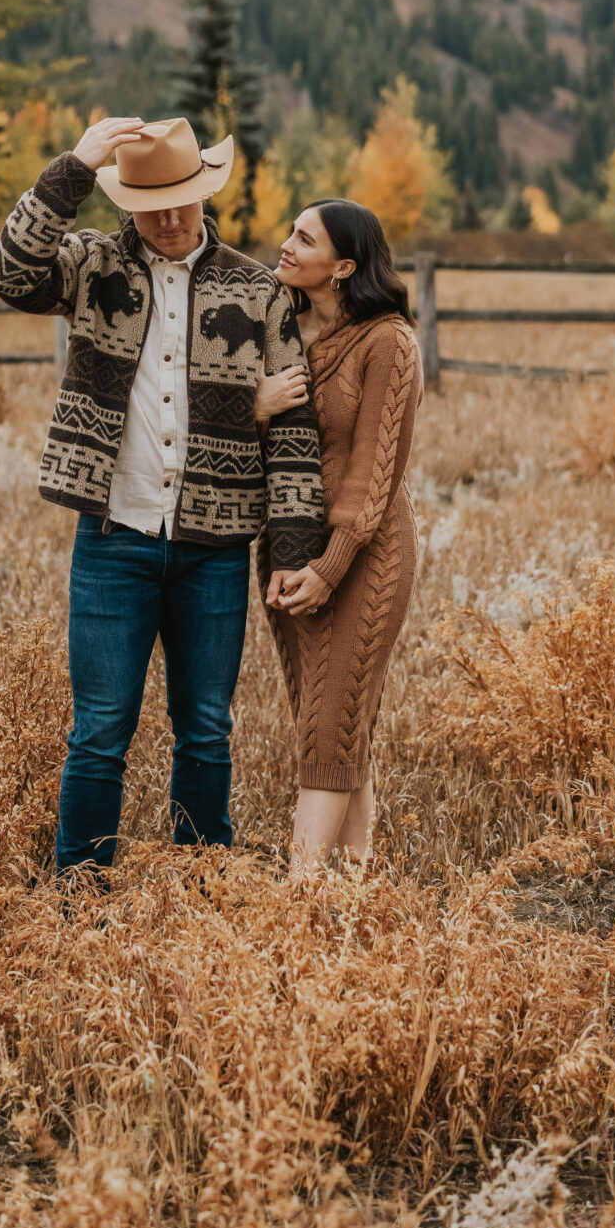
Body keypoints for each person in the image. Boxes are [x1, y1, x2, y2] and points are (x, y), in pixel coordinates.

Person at [0, 114, 326, 876]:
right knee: (100, 729)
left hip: (214, 550)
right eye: (152, 205)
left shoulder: (256, 288)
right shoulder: (92, 265)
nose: (171, 219)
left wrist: (296, 548)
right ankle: (78, 891)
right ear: (125, 205)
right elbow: (7, 273)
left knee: (205, 728)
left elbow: (296, 433)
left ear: (205, 194)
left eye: (184, 201)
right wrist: (72, 166)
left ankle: (201, 886)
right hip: (114, 540)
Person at [254, 199, 423, 874]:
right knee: (330, 726)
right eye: (290, 231)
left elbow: (373, 476)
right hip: (290, 548)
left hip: (363, 554)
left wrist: (331, 566)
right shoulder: (282, 334)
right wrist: (256, 408)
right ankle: (356, 895)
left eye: (305, 238)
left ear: (344, 265)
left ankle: (300, 898)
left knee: (331, 723)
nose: (287, 245)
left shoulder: (388, 342)